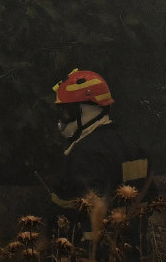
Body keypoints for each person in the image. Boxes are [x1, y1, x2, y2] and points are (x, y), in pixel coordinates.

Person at [49, 69, 150, 261]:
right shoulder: (134, 146)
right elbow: (149, 200)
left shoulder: (84, 154)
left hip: (94, 254)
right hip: (135, 253)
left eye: (67, 111)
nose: (62, 119)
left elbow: (69, 216)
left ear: (87, 111)